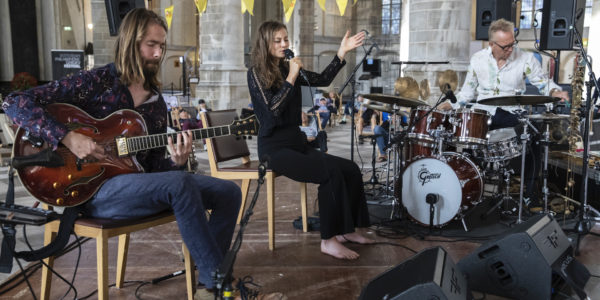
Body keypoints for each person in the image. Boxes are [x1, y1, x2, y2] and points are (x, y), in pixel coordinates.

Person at [2, 9, 278, 300]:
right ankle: (218, 287)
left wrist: (177, 161)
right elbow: (14, 102)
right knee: (180, 184)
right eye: (152, 45)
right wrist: (68, 137)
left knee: (227, 192)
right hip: (92, 191)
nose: (159, 53)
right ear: (131, 43)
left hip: (132, 186)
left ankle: (208, 282)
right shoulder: (98, 83)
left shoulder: (156, 102)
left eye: (162, 45)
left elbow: (152, 167)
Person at [247, 20, 374, 260]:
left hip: (297, 143)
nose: (284, 44)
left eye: (286, 39)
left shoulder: (288, 67)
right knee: (330, 172)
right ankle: (329, 240)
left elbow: (324, 79)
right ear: (265, 43)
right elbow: (272, 110)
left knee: (350, 169)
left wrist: (341, 53)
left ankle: (349, 231)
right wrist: (292, 77)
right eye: (278, 40)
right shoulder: (255, 73)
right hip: (274, 149)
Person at [440, 18, 569, 206]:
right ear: (492, 44)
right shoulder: (478, 59)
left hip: (511, 112)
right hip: (484, 112)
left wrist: (554, 91)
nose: (510, 49)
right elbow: (467, 92)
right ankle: (468, 190)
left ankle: (530, 195)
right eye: (505, 46)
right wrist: (451, 105)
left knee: (534, 137)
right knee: (466, 135)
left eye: (512, 44)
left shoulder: (524, 58)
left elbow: (542, 81)